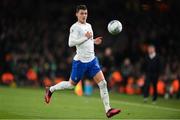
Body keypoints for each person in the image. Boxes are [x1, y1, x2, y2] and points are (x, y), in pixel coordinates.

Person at [44, 5, 121, 118]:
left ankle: (108, 110)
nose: (84, 15)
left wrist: (94, 41)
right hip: (80, 62)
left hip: (92, 61)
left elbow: (87, 40)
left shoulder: (89, 25)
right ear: (77, 14)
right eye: (81, 13)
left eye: (85, 13)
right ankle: (50, 89)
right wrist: (86, 38)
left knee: (103, 84)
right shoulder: (75, 27)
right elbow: (71, 43)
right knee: (71, 85)